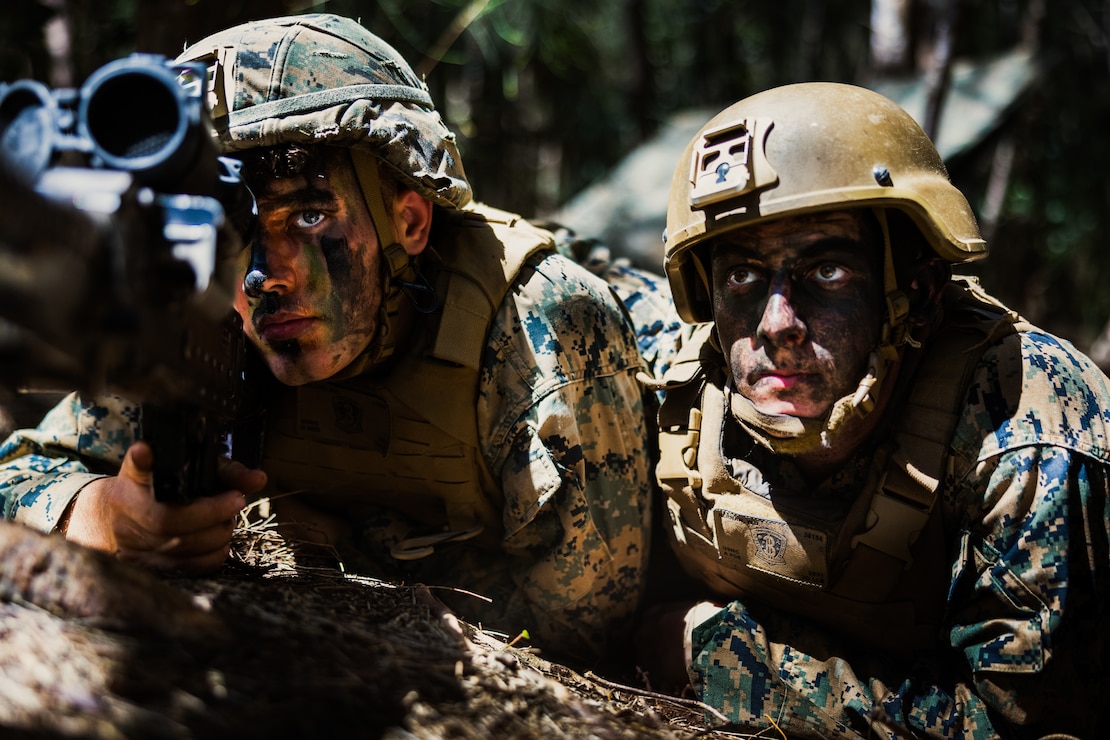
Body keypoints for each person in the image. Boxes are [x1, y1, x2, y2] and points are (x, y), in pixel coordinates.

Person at [0, 13, 654, 663]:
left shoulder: (543, 326)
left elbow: (582, 629)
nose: (261, 277)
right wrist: (106, 517)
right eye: (233, 232)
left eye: (308, 216)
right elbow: (17, 473)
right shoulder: (198, 302)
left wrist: (328, 552)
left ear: (410, 221)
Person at [635, 82, 1109, 739]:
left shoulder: (1028, 429)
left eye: (826, 273)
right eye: (742, 276)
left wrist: (727, 659)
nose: (777, 325)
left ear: (914, 291)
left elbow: (1029, 727)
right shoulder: (676, 374)